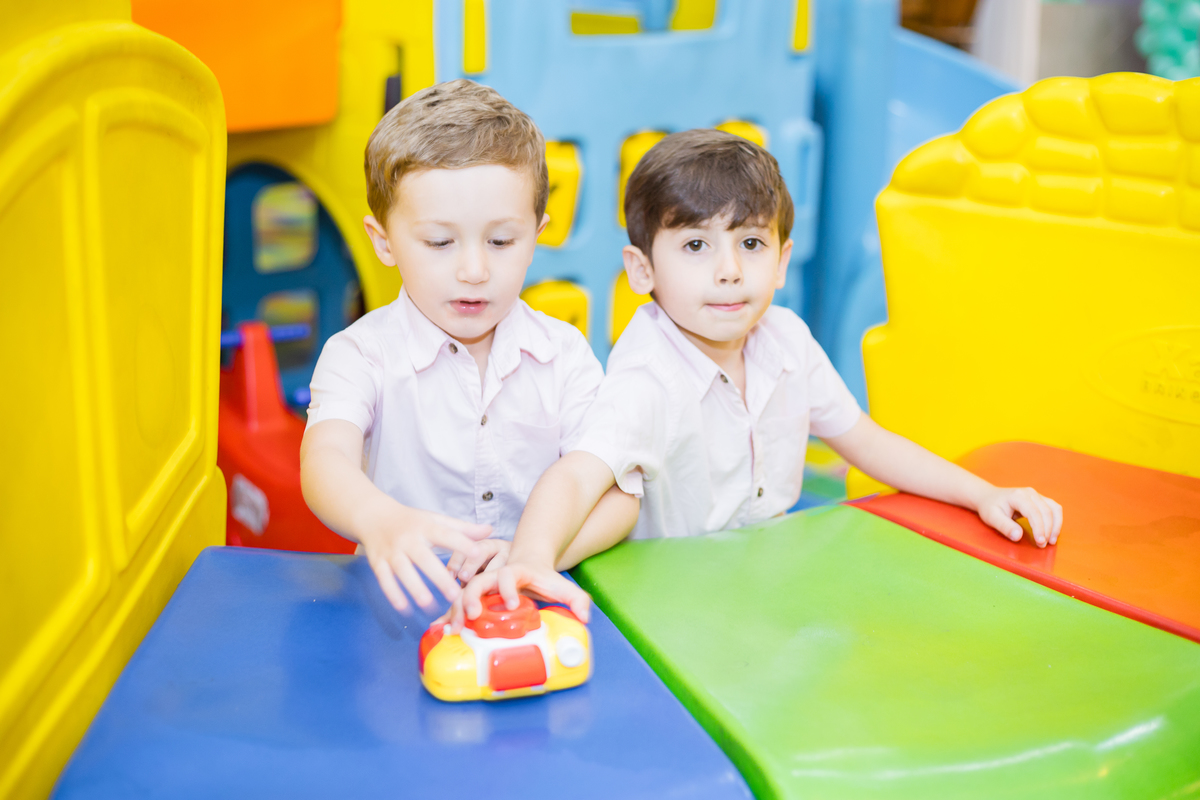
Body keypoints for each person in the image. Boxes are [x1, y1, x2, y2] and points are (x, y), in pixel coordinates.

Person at [453, 128, 1063, 625]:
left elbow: (866, 441)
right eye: (695, 246)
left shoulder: (786, 340)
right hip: (671, 601)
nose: (728, 271)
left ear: (782, 260)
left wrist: (983, 494)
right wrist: (531, 559)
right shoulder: (647, 377)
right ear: (642, 270)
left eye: (750, 243)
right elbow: (576, 474)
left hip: (768, 578)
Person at [299, 79, 638, 615]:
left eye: (502, 241)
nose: (474, 270)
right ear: (383, 240)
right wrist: (381, 520)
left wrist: (531, 558)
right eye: (439, 242)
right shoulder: (360, 354)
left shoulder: (563, 353)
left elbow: (620, 495)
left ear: (537, 234)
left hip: (533, 606)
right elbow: (325, 460)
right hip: (397, 610)